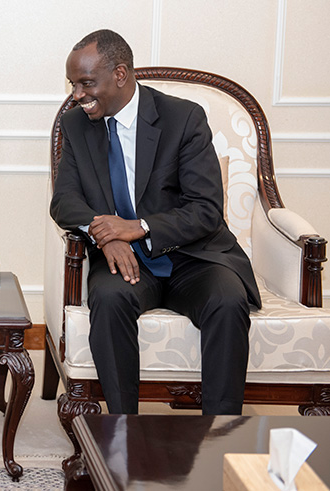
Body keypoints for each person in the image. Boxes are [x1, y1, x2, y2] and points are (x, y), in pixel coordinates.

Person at [50, 29, 261, 415]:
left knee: (228, 302)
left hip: (193, 257)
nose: (77, 95)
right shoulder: (77, 126)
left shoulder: (183, 119)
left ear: (120, 74)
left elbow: (206, 208)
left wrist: (138, 227)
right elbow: (64, 201)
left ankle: (220, 434)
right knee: (109, 299)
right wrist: (108, 233)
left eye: (86, 83)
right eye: (73, 85)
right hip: (124, 262)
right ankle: (123, 434)